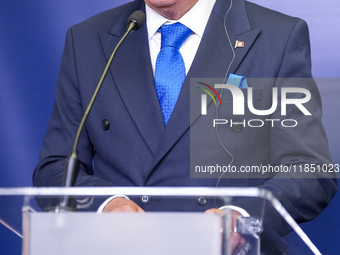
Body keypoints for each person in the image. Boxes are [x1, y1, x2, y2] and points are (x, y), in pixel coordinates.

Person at [33, 0, 337, 252]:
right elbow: (55, 165)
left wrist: (243, 217)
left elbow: (309, 170)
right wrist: (106, 204)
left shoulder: (277, 37)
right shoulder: (87, 40)